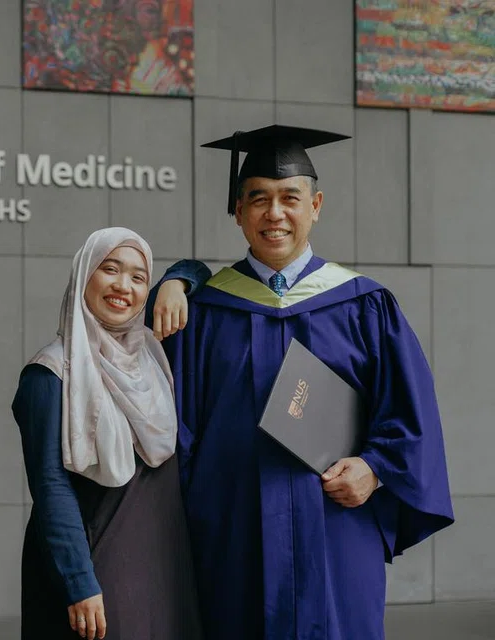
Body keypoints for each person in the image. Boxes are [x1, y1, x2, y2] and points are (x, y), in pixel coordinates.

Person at [148, 125, 455, 640]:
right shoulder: (202, 313)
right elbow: (169, 431)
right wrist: (179, 276)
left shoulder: (363, 304)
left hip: (335, 530)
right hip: (232, 536)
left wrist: (375, 469)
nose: (275, 214)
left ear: (315, 205)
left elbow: (410, 414)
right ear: (238, 210)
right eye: (258, 199)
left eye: (290, 198)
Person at [12, 228, 208, 640]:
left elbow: (201, 271)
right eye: (110, 269)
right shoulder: (49, 376)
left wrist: (176, 281)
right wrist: (79, 582)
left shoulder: (151, 355)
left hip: (162, 563)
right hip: (97, 570)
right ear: (84, 275)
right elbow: (51, 486)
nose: (124, 286)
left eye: (139, 277)